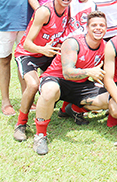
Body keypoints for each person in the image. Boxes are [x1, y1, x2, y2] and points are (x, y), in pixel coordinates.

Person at [32, 11, 110, 155]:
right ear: (87, 27)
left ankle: (73, 109)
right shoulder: (73, 42)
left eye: (102, 25)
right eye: (94, 25)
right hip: (57, 79)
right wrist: (88, 72)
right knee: (50, 91)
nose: (98, 28)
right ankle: (40, 135)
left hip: (80, 85)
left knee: (109, 100)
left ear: (106, 29)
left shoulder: (105, 46)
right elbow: (67, 72)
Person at [13, 0, 74, 142]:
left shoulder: (68, 11)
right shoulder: (44, 11)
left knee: (70, 71)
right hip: (29, 53)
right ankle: (21, 124)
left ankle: (68, 108)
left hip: (48, 53)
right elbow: (27, 43)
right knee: (32, 85)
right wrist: (43, 50)